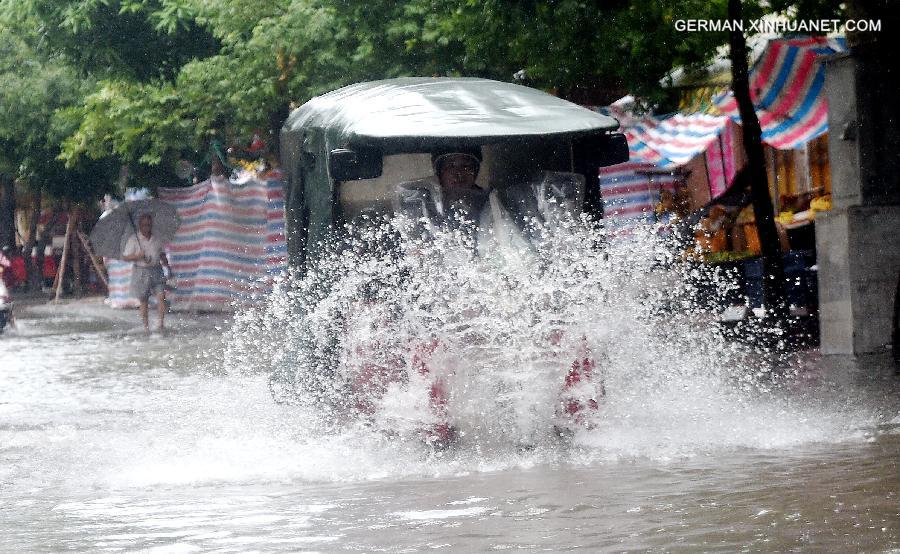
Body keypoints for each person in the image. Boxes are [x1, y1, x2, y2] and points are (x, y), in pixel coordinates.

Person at [394, 147, 488, 232]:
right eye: (450, 166)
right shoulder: (418, 202)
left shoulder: (488, 205)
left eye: (465, 166)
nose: (458, 173)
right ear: (439, 172)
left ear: (475, 172)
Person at [122, 213, 171, 331]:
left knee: (161, 296)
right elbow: (125, 257)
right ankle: (146, 326)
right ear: (140, 226)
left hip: (156, 269)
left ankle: (161, 324)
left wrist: (167, 267)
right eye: (144, 225)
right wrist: (137, 256)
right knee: (144, 300)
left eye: (149, 225)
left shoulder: (157, 238)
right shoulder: (134, 239)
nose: (146, 227)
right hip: (141, 271)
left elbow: (162, 254)